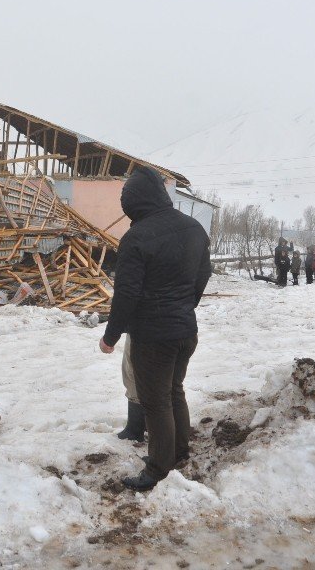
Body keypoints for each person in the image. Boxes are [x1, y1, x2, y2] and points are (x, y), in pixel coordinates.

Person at [99, 168, 212, 492]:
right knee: (175, 391)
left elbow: (127, 294)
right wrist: (185, 304)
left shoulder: (136, 237)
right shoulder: (194, 228)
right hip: (185, 330)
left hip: (153, 336)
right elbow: (204, 273)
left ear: (134, 202)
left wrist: (110, 337)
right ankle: (178, 451)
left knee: (156, 401)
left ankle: (158, 469)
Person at [116, 336, 146, 442]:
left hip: (142, 332)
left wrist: (109, 338)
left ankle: (135, 429)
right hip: (181, 332)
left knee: (132, 373)